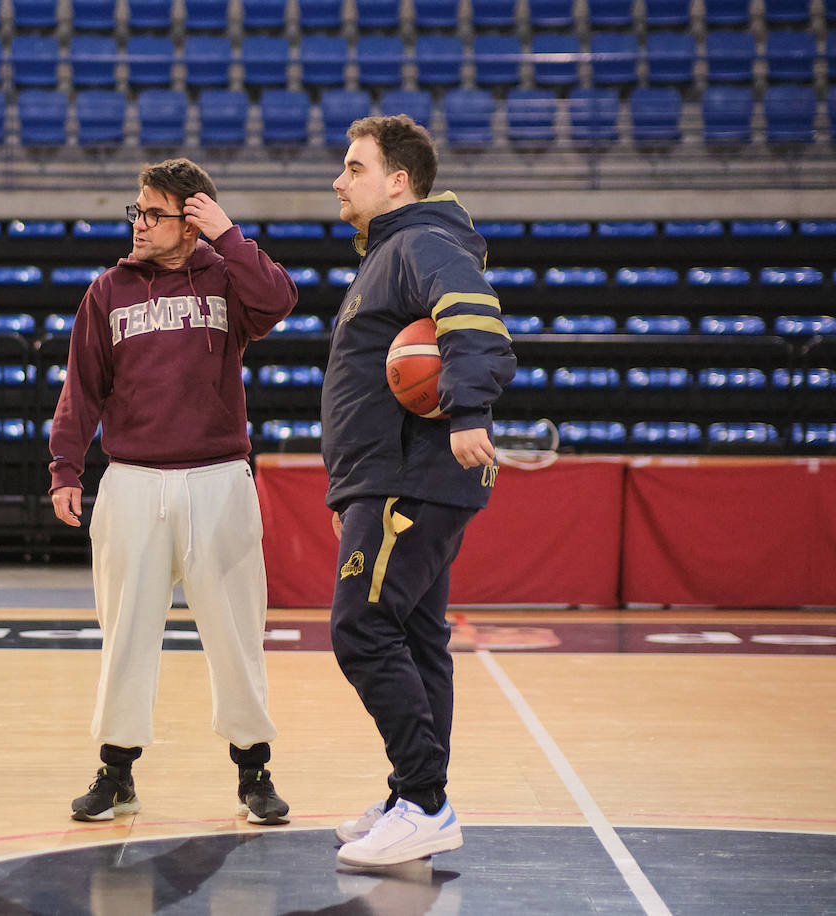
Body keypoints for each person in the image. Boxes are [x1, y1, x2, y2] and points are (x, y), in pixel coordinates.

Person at [49, 158, 299, 826]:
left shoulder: (227, 280)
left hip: (219, 477)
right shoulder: (107, 291)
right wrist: (65, 468)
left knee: (237, 633)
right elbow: (82, 388)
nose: (139, 223)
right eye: (137, 210)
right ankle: (116, 770)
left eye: (154, 213)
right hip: (131, 479)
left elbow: (279, 300)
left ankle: (254, 771)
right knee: (126, 633)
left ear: (191, 222)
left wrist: (230, 235)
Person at [321, 116, 516, 867]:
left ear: (397, 180)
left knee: (361, 628)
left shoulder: (421, 242)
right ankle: (412, 795)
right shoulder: (390, 252)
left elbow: (475, 318)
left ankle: (427, 803)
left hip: (409, 479)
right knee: (415, 636)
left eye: (353, 167)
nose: (340, 181)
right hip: (391, 478)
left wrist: (468, 408)